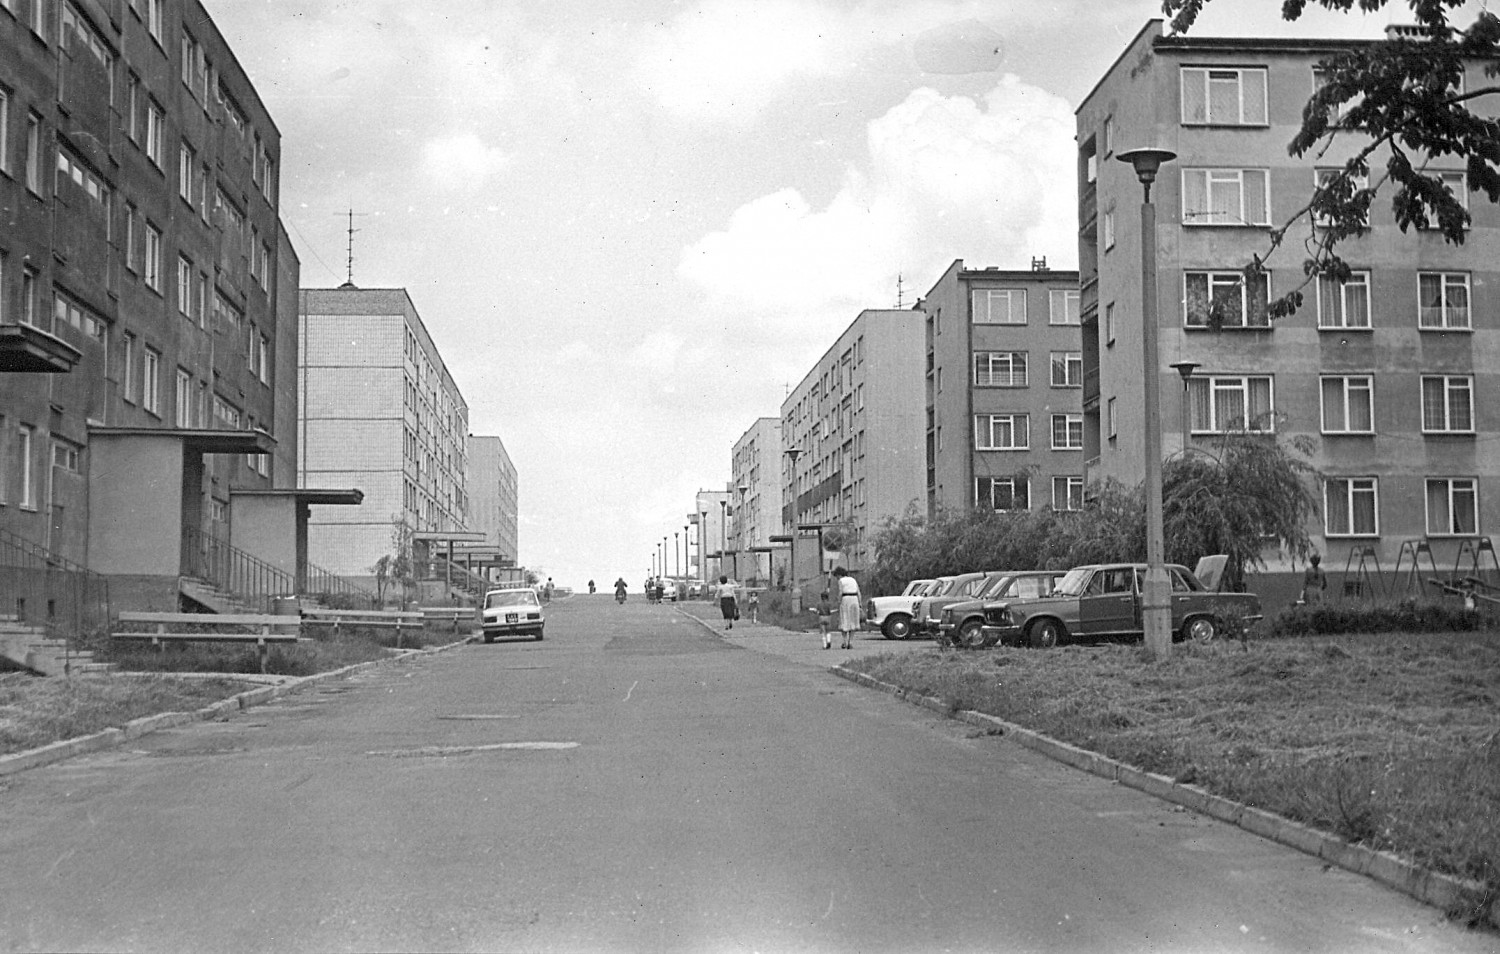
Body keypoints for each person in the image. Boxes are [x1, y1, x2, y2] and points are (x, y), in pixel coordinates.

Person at [835, 566, 861, 649]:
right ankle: (851, 641)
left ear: (839, 575)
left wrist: (838, 602)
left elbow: (840, 592)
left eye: (836, 576)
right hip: (854, 599)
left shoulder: (841, 581)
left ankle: (845, 641)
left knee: (844, 619)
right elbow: (858, 592)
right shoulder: (853, 579)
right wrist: (859, 603)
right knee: (853, 620)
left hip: (846, 599)